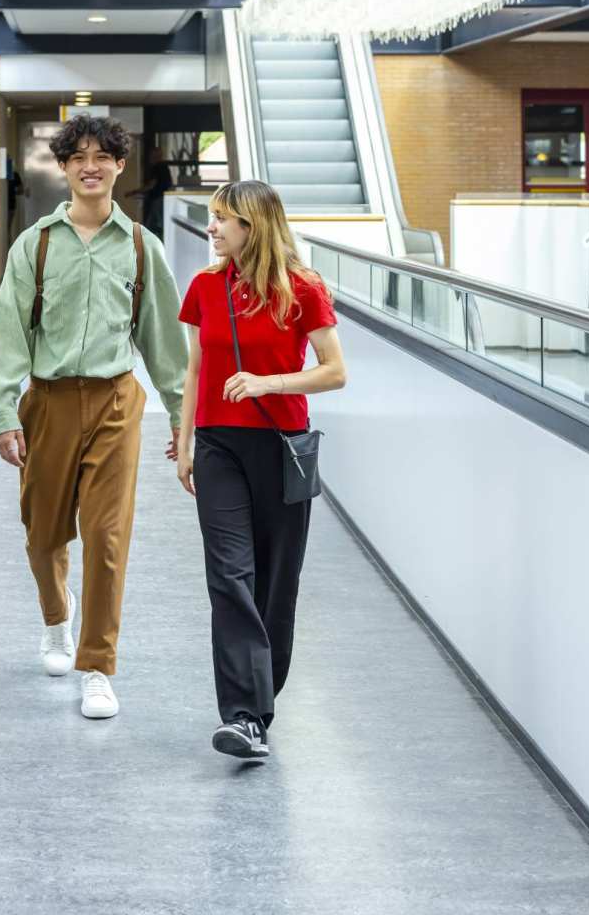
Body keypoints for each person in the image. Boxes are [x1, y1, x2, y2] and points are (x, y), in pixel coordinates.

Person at [0, 114, 188, 720]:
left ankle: (97, 665)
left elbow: (165, 344)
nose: (91, 166)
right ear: (66, 168)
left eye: (103, 156)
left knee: (105, 536)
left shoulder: (142, 248)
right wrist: (2, 411)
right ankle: (56, 618)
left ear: (120, 167)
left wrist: (183, 419)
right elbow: (8, 334)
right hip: (47, 402)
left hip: (116, 402)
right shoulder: (36, 244)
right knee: (44, 534)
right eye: (79, 157)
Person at [176, 180, 346, 760]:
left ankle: (261, 698)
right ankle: (244, 715)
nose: (213, 227)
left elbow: (334, 371)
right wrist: (183, 439)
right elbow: (196, 366)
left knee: (276, 583)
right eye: (212, 217)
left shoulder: (303, 289)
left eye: (223, 218)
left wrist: (269, 382)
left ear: (253, 224)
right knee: (229, 574)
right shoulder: (205, 287)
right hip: (219, 445)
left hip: (282, 446)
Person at [127, 145, 173, 240]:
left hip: (157, 199)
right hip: (163, 199)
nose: (149, 158)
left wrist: (134, 192)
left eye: (151, 155)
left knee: (152, 225)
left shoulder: (158, 167)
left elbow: (151, 185)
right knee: (159, 224)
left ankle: (150, 246)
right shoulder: (164, 167)